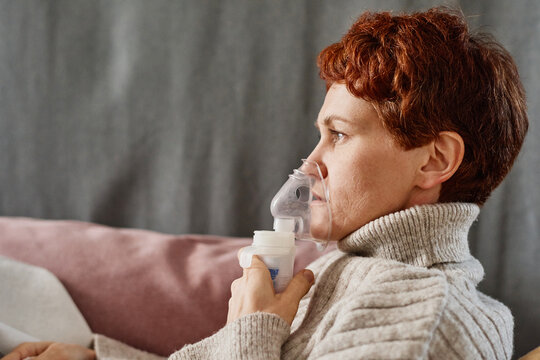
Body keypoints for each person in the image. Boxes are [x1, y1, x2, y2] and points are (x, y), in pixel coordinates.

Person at [1, 6, 529, 360]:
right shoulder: (346, 274)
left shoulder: (421, 314)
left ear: (434, 159)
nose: (311, 161)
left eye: (339, 135)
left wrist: (251, 331)